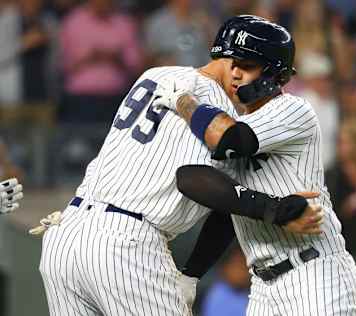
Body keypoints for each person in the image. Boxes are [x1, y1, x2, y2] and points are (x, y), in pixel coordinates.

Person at [37, 17, 323, 316]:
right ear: (239, 66)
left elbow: (227, 204)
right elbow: (192, 178)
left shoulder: (156, 74)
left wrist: (191, 272)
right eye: (270, 77)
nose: (272, 89)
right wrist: (273, 210)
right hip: (126, 245)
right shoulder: (215, 107)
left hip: (65, 235)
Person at [158, 15, 356, 315]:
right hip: (264, 285)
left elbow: (229, 140)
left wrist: (184, 103)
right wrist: (192, 273)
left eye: (247, 65)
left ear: (274, 73)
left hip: (316, 274)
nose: (236, 73)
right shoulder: (241, 122)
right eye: (233, 64)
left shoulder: (293, 109)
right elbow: (227, 207)